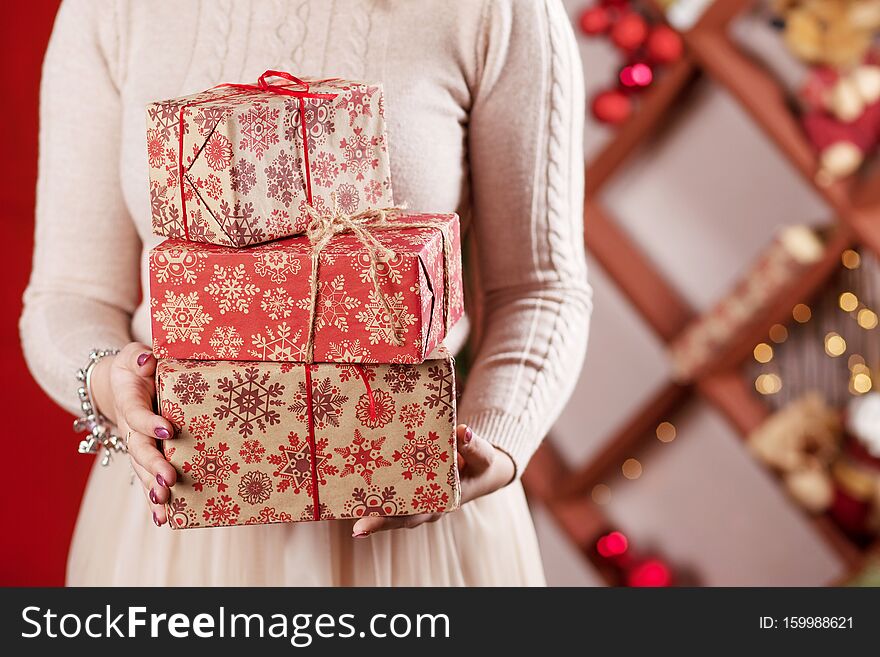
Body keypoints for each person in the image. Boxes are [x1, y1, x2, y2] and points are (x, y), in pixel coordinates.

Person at [22, 0, 591, 586]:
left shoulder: (495, 10)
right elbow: (67, 297)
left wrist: (489, 444)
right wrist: (113, 388)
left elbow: (542, 289)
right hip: (177, 506)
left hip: (420, 509)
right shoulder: (110, 10)